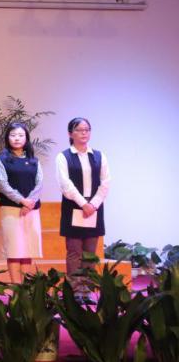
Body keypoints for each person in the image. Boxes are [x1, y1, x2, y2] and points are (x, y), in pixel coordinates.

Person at [56, 117, 110, 293]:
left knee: (90, 253)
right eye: (79, 130)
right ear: (70, 133)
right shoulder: (64, 157)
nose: (84, 133)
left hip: (94, 208)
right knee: (74, 252)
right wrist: (83, 203)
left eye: (87, 129)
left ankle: (87, 290)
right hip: (73, 206)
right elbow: (65, 184)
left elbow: (105, 182)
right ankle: (74, 291)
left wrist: (93, 204)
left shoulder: (99, 156)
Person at [0, 123, 44, 284]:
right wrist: (22, 201)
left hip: (31, 211)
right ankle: (17, 289)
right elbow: (3, 185)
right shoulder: (1, 160)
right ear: (7, 138)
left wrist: (29, 203)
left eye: (21, 135)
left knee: (28, 249)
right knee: (14, 250)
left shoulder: (34, 160)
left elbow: (39, 183)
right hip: (10, 210)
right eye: (13, 135)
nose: (17, 138)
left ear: (26, 138)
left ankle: (26, 290)